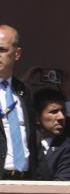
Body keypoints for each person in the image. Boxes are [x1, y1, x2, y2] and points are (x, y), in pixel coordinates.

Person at [0, 24, 38, 180]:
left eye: (2, 50)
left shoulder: (24, 90)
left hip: (25, 179)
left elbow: (31, 136)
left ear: (17, 53)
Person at [32, 88, 70, 181]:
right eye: (53, 112)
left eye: (63, 111)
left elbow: (62, 190)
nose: (61, 117)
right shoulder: (23, 148)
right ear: (37, 118)